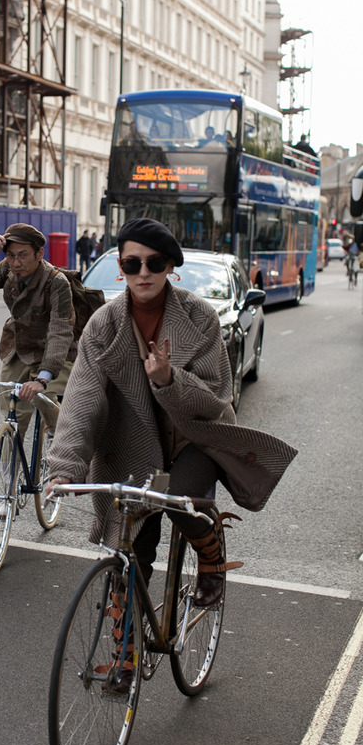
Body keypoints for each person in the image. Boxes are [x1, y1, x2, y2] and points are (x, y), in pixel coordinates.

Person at [45, 217, 298, 610]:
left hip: (193, 439)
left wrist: (169, 380)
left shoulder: (201, 318)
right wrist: (64, 465)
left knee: (180, 500)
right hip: (131, 443)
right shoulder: (103, 324)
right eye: (132, 264)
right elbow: (83, 396)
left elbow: (217, 399)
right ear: (121, 267)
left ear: (170, 267)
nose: (142, 273)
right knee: (131, 551)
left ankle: (211, 557)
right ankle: (125, 655)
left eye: (154, 263)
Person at [0, 222, 76, 434]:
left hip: (53, 352)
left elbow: (60, 331)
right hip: (19, 350)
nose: (16, 262)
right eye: (11, 255)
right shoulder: (7, 268)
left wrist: (43, 377)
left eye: (23, 255)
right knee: (14, 414)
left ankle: (63, 440)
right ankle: (5, 464)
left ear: (39, 253)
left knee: (43, 398)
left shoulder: (56, 282)